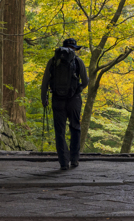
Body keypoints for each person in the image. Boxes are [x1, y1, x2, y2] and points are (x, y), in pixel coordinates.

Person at [41, 38, 89, 170]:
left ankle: (63, 162)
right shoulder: (78, 61)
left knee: (60, 131)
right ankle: (74, 160)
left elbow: (45, 82)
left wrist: (44, 98)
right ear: (74, 48)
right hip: (74, 99)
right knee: (75, 128)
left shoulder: (53, 61)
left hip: (57, 99)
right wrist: (77, 88)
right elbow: (85, 81)